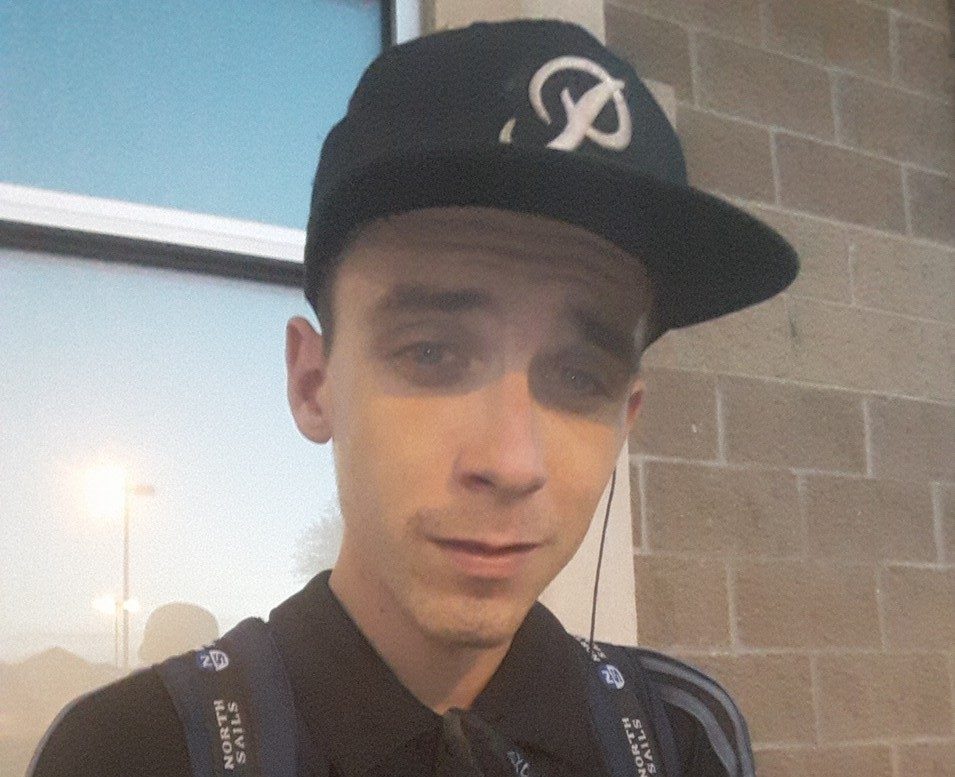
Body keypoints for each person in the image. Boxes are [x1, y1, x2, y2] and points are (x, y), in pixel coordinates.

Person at [28, 19, 797, 777]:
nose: (511, 462)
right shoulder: (134, 751)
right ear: (312, 382)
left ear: (624, 418)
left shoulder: (679, 737)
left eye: (578, 377)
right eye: (431, 353)